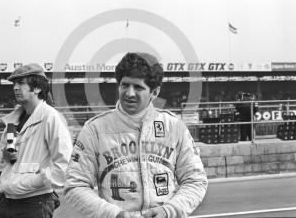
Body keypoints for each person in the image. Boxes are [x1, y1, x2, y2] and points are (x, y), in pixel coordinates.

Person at [64, 52, 208, 218]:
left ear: (154, 92)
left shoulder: (174, 126)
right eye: (125, 85)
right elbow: (75, 185)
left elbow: (195, 180)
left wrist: (170, 210)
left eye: (138, 87)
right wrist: (114, 214)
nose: (129, 93)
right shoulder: (94, 130)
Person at [0, 63, 73, 218]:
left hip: (34, 204)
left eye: (21, 83)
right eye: (14, 84)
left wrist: (31, 182)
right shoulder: (13, 121)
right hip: (6, 201)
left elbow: (65, 166)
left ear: (37, 88)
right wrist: (4, 155)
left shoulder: (50, 117)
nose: (15, 88)